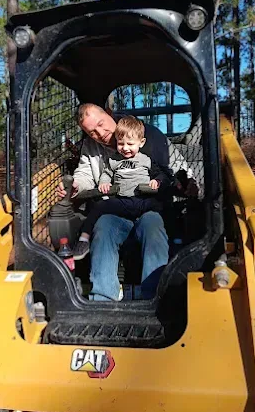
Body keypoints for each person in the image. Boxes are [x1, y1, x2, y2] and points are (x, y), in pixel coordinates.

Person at [57, 103, 197, 301]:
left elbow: (176, 165)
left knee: (153, 226)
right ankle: (103, 298)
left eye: (101, 124)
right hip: (116, 208)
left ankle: (154, 297)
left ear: (109, 114)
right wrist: (76, 185)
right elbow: (85, 173)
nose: (100, 133)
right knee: (103, 228)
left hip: (148, 206)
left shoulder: (148, 135)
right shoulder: (91, 146)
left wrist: (188, 182)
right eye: (92, 132)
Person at [72, 116, 171, 260]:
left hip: (143, 200)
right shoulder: (114, 160)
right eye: (120, 143)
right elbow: (107, 173)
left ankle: (174, 237)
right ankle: (84, 239)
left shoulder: (146, 160)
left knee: (163, 208)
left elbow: (160, 174)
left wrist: (157, 181)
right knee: (99, 207)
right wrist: (103, 183)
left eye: (130, 144)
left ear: (141, 143)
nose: (125, 148)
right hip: (122, 201)